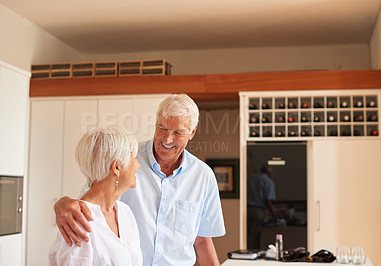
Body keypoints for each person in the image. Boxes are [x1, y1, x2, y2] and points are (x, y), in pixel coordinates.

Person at [54, 94, 225, 265]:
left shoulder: (203, 176)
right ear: (156, 122)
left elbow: (202, 240)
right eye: (162, 128)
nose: (167, 139)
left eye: (178, 132)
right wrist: (62, 203)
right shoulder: (126, 158)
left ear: (192, 132)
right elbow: (91, 196)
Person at [49, 127, 142, 265]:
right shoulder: (78, 220)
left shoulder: (125, 212)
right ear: (116, 167)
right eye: (134, 158)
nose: (138, 165)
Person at [247, 164, 276, 249]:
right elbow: (268, 200)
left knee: (245, 234)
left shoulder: (251, 179)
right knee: (254, 235)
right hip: (258, 211)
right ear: (269, 173)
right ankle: (251, 253)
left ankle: (245, 252)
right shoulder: (268, 182)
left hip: (246, 209)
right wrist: (274, 214)